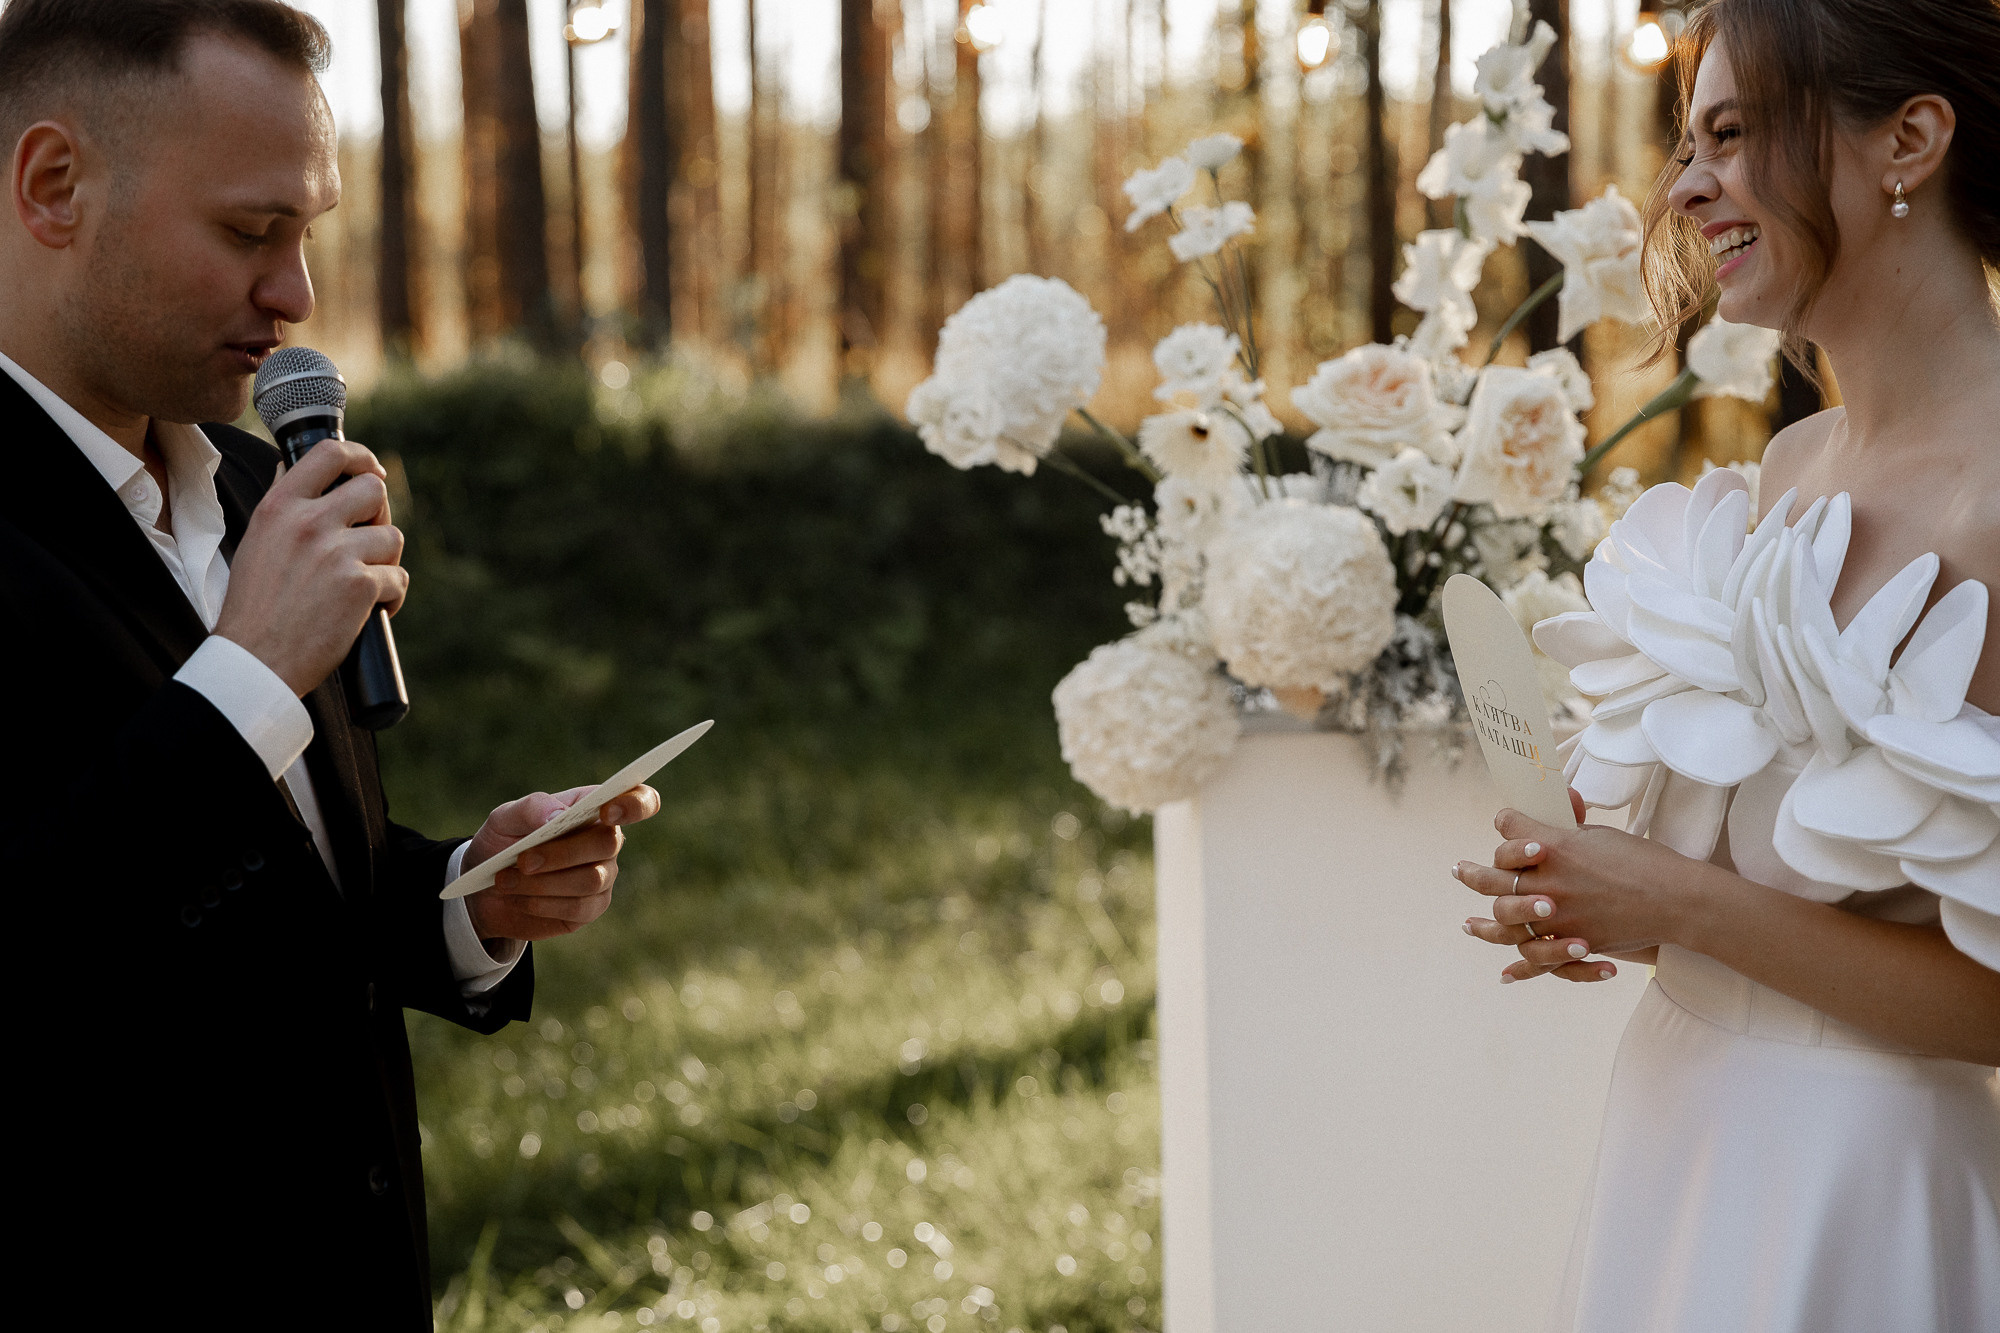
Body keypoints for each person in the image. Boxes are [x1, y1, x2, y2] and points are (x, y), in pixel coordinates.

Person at [0, 2, 661, 1322]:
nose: (297, 297)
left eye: (306, 236)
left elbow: (255, 888)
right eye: (252, 232)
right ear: (54, 186)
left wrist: (464, 899)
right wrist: (245, 676)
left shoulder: (258, 482)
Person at [1451, 0, 2000, 1328]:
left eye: (1736, 134)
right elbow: (1805, 918)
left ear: (1910, 140)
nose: (1684, 186)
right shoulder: (1788, 470)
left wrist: (1683, 903)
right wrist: (1623, 900)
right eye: (1687, 140)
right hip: (1682, 1127)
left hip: (1859, 1186)